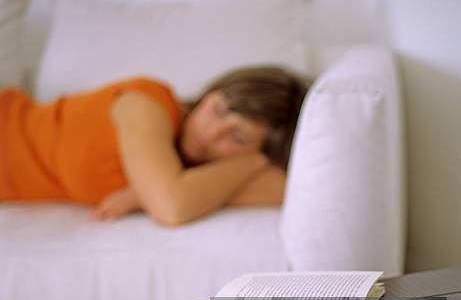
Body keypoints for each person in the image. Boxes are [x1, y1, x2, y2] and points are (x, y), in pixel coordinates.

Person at [0, 66, 310, 225]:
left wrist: (150, 191)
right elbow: (172, 207)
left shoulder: (191, 172)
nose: (212, 131)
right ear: (209, 93)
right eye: (217, 109)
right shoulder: (145, 103)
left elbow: (290, 188)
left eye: (237, 137)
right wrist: (253, 160)